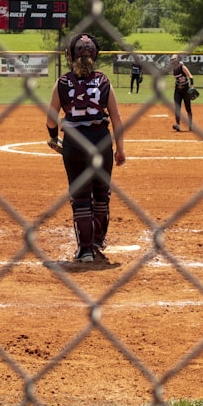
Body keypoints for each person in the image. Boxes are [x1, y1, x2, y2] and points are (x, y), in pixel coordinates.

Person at [46, 33, 126, 263]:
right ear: (95, 55)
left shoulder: (62, 82)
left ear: (71, 55)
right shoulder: (103, 81)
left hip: (74, 142)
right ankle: (98, 241)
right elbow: (117, 118)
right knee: (101, 194)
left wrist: (53, 136)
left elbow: (51, 118)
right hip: (100, 140)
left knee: (80, 196)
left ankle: (86, 250)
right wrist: (120, 149)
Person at [170, 54, 194, 132]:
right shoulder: (174, 69)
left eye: (174, 59)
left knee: (188, 108)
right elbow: (177, 80)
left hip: (186, 90)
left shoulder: (182, 67)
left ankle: (190, 125)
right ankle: (178, 125)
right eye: (172, 59)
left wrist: (192, 86)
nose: (172, 60)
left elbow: (190, 76)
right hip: (177, 90)